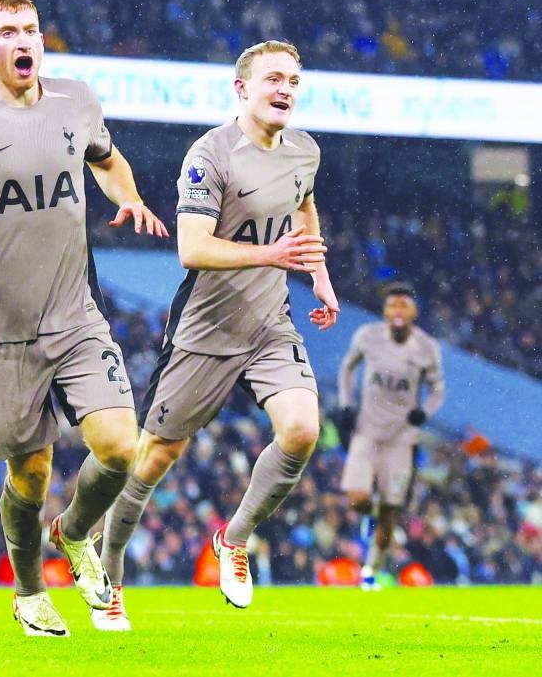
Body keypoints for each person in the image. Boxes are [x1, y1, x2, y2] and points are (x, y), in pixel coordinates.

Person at [0, 0, 168, 637]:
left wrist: (127, 196)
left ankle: (73, 533)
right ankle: (27, 590)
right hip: (6, 325)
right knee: (31, 470)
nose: (24, 41)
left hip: (77, 314)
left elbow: (107, 158)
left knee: (121, 447)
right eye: (9, 32)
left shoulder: (77, 100)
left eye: (32, 29)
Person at [95, 40, 339, 630]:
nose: (285, 89)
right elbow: (191, 249)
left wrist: (319, 275)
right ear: (242, 89)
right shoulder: (210, 155)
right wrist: (271, 253)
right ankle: (107, 571)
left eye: (294, 80)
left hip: (270, 324)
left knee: (304, 430)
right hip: (205, 329)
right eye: (274, 78)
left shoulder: (304, 150)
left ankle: (234, 540)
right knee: (156, 458)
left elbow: (304, 208)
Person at [337, 282, 444, 590]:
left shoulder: (426, 348)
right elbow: (347, 368)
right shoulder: (368, 337)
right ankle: (368, 509)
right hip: (367, 433)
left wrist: (425, 411)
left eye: (404, 305)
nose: (398, 311)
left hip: (401, 440)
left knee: (389, 511)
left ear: (414, 311)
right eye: (392, 305)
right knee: (357, 498)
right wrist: (346, 403)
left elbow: (438, 389)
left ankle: (372, 568)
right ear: (385, 310)